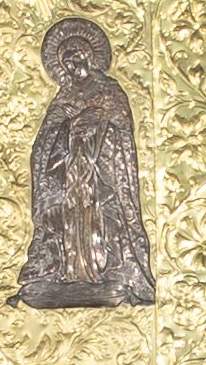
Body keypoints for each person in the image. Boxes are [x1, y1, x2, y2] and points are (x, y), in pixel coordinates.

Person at [16, 18, 155, 308]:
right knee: (65, 219)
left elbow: (121, 125)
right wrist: (69, 128)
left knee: (105, 219)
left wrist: (97, 123)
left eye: (76, 56)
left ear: (89, 56)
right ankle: (64, 271)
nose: (72, 64)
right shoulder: (64, 97)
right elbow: (44, 142)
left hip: (99, 175)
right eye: (66, 60)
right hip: (69, 178)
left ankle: (112, 269)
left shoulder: (108, 89)